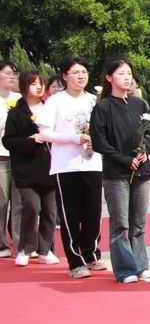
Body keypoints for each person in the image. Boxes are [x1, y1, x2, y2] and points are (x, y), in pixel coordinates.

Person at [36, 58, 106, 278]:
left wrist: (98, 142)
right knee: (71, 216)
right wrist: (73, 138)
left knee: (93, 213)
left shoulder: (95, 101)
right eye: (75, 72)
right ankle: (75, 261)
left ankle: (92, 254)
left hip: (93, 163)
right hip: (66, 166)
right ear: (65, 76)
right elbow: (45, 132)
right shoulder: (55, 101)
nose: (81, 76)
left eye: (84, 71)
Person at [90, 59, 150, 283]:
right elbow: (100, 142)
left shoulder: (140, 104)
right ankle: (125, 269)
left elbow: (149, 135)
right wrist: (125, 160)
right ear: (109, 77)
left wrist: (145, 151)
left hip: (142, 170)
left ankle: (141, 264)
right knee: (120, 223)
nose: (127, 77)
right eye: (121, 74)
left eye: (129, 73)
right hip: (116, 172)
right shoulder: (102, 107)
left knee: (139, 222)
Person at [2, 70, 59, 266]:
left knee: (50, 211)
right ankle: (26, 248)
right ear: (25, 87)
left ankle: (45, 250)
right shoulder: (16, 113)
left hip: (50, 167)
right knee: (31, 207)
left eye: (41, 83)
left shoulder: (50, 109)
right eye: (34, 84)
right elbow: (8, 141)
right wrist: (29, 140)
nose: (39, 87)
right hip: (27, 169)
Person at [0, 60, 21, 257]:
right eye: (7, 73)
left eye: (14, 73)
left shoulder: (20, 98)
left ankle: (21, 244)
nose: (12, 76)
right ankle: (1, 244)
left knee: (19, 201)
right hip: (1, 156)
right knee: (2, 201)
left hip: (20, 155)